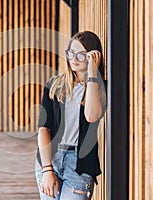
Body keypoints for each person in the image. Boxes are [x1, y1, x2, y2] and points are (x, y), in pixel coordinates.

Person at [35, 31, 107, 200]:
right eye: (71, 53)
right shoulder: (54, 86)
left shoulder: (100, 90)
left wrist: (92, 74)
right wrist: (47, 170)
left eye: (81, 55)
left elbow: (91, 116)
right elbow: (43, 130)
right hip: (48, 160)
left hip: (79, 166)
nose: (74, 59)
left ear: (92, 57)